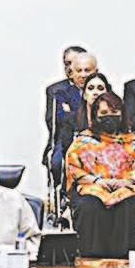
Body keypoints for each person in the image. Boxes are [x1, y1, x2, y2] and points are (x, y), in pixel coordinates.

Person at [65, 95, 135, 257]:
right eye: (104, 113)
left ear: (122, 114)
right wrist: (98, 181)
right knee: (89, 206)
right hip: (93, 187)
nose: (109, 116)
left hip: (126, 188)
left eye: (114, 112)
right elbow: (73, 168)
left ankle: (122, 260)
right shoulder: (83, 141)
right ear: (95, 115)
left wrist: (124, 182)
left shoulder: (133, 141)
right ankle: (91, 260)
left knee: (127, 206)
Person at [45, 49, 91, 192]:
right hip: (65, 137)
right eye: (67, 63)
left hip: (95, 137)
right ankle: (60, 196)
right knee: (57, 163)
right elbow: (54, 121)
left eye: (75, 63)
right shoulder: (56, 90)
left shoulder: (97, 86)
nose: (70, 67)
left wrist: (71, 113)